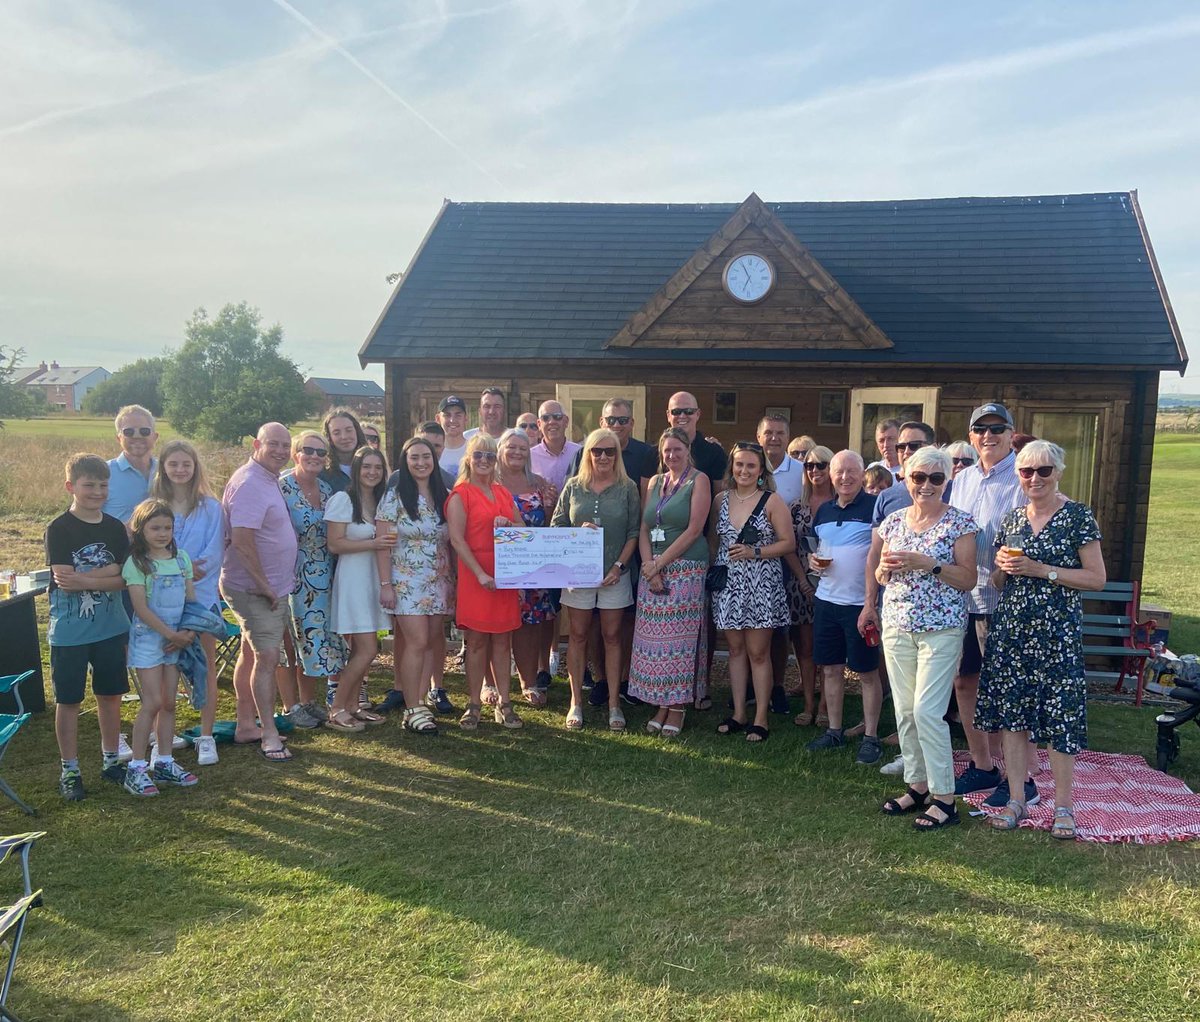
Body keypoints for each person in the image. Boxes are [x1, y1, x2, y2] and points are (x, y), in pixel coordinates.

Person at [976, 441, 1106, 838]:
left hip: (1055, 635)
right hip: (1012, 633)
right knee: (1013, 720)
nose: (1034, 478)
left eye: (1043, 471)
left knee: (1061, 720)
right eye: (1026, 471)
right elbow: (1000, 582)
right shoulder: (1013, 520)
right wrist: (1001, 569)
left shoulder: (1077, 517)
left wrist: (1042, 569)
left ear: (1059, 472)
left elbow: (1096, 579)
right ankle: (1017, 798)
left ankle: (1064, 806)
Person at [874, 448, 978, 830]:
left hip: (943, 628)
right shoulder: (895, 521)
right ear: (906, 479)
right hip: (898, 625)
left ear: (947, 480)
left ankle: (945, 799)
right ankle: (916, 786)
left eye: (936, 478)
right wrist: (884, 569)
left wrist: (930, 564)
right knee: (903, 710)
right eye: (919, 477)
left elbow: (968, 579)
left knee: (927, 711)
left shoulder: (960, 523)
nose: (927, 485)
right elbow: (882, 576)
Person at [949, 403, 1029, 799]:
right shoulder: (960, 479)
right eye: (980, 429)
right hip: (963, 595)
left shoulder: (1023, 474)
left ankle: (1022, 778)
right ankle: (982, 766)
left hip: (1006, 598)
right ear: (971, 436)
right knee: (964, 681)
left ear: (1011, 434)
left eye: (997, 428)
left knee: (1007, 688)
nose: (989, 435)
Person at [46, 454, 132, 800]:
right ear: (71, 486)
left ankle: (111, 760)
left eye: (103, 485)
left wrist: (90, 577)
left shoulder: (114, 528)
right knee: (68, 700)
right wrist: (106, 572)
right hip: (70, 631)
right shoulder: (59, 528)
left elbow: (126, 578)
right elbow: (66, 583)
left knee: (110, 696)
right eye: (89, 485)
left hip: (111, 626)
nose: (97, 491)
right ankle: (70, 769)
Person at [551, 428, 640, 731]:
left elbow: (633, 532)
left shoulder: (628, 487)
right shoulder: (574, 486)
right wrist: (577, 534)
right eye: (597, 451)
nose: (603, 456)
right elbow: (557, 525)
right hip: (578, 576)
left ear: (617, 455)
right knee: (577, 636)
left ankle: (615, 703)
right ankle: (576, 702)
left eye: (610, 451)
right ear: (587, 453)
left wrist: (618, 565)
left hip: (616, 574)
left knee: (612, 637)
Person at [219, 422, 298, 762]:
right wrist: (264, 585)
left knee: (250, 655)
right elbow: (242, 540)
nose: (281, 451)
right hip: (256, 589)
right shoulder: (251, 483)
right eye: (274, 444)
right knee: (267, 658)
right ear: (256, 444)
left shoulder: (267, 479)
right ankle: (268, 733)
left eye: (285, 445)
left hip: (266, 587)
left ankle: (245, 725)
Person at [629, 427, 712, 737]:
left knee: (679, 642)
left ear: (687, 449)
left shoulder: (698, 480)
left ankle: (676, 707)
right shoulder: (655, 482)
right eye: (667, 451)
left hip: (686, 567)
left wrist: (660, 564)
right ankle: (660, 703)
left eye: (678, 449)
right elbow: (645, 526)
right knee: (654, 642)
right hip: (654, 569)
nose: (672, 455)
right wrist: (650, 567)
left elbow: (694, 529)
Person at [711, 442, 794, 742]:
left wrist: (755, 551)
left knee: (758, 653)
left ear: (761, 471)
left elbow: (788, 543)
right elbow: (714, 541)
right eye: (739, 464)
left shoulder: (772, 501)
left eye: (751, 466)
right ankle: (738, 713)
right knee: (735, 651)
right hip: (729, 587)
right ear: (732, 467)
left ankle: (760, 716)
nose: (744, 470)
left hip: (761, 584)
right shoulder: (720, 500)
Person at [806, 451, 884, 764]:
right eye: (839, 472)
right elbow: (818, 551)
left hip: (859, 605)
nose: (845, 477)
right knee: (831, 668)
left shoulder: (873, 508)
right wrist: (813, 562)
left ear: (862, 474)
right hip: (826, 600)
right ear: (831, 475)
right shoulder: (823, 510)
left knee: (866, 672)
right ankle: (835, 730)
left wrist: (871, 603)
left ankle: (871, 736)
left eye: (852, 471)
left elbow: (878, 555)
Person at [150, 440, 225, 766]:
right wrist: (177, 570)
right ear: (164, 468)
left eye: (186, 464)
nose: (180, 470)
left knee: (205, 669)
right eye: (174, 464)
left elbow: (214, 553)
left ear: (195, 468)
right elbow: (146, 552)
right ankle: (161, 735)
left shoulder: (211, 508)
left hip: (201, 600)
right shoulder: (153, 506)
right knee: (164, 670)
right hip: (161, 603)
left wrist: (185, 573)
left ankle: (206, 736)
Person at [120, 500, 200, 796]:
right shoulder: (137, 564)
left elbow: (190, 602)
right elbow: (141, 608)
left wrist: (188, 631)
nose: (163, 533)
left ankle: (164, 761)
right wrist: (171, 635)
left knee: (169, 702)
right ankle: (137, 768)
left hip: (176, 639)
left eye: (167, 527)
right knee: (151, 702)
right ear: (140, 530)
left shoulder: (182, 560)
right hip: (149, 640)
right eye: (155, 528)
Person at [446, 434, 523, 729]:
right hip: (475, 575)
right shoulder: (460, 494)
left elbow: (522, 527)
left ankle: (505, 703)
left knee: (504, 641)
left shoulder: (502, 492)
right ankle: (474, 703)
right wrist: (479, 573)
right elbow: (456, 539)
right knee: (476, 642)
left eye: (490, 456)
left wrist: (510, 524)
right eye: (478, 455)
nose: (484, 461)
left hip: (504, 575)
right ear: (469, 457)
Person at [377, 437, 452, 730]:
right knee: (417, 641)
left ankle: (418, 706)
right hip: (406, 581)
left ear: (434, 462)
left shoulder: (444, 495)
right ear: (405, 463)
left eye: (426, 457)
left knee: (433, 641)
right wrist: (385, 584)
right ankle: (412, 704)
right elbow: (382, 544)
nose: (421, 463)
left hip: (439, 579)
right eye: (414, 458)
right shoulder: (394, 496)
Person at [279, 431, 347, 726]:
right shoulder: (281, 488)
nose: (315, 456)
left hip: (324, 575)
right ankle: (290, 706)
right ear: (296, 453)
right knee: (290, 642)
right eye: (308, 450)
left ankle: (308, 701)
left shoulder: (326, 489)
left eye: (321, 452)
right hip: (290, 575)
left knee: (314, 641)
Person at [325, 446, 391, 733]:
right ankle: (337, 707)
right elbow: (335, 544)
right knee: (367, 649)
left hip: (372, 579)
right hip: (353, 580)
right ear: (356, 469)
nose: (372, 472)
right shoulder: (343, 499)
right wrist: (372, 544)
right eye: (367, 467)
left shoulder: (380, 502)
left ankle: (353, 706)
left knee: (361, 650)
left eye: (378, 467)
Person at [496, 428, 558, 706]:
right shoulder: (489, 482)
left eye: (523, 448)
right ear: (500, 450)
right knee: (495, 626)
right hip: (497, 565)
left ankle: (528, 681)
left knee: (530, 625)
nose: (517, 452)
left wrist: (549, 506)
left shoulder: (539, 483)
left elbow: (548, 526)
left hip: (533, 566)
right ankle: (492, 683)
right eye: (511, 447)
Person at [758, 414, 807, 716]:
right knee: (754, 627)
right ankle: (754, 686)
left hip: (788, 561)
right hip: (753, 561)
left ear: (788, 437)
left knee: (781, 630)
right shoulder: (748, 466)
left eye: (780, 433)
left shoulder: (800, 472)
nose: (774, 438)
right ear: (759, 435)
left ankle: (777, 686)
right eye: (769, 433)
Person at [793, 445, 836, 726]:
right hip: (800, 586)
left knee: (827, 650)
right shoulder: (796, 507)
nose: (815, 470)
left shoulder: (840, 505)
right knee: (805, 649)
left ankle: (825, 706)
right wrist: (802, 580)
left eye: (821, 465)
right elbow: (788, 546)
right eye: (809, 465)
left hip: (835, 587)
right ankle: (808, 704)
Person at [103, 404, 160, 524]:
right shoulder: (103, 473)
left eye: (144, 431)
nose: (137, 436)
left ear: (155, 437)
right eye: (129, 432)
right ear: (119, 438)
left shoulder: (167, 470)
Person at [666, 391, 727, 488]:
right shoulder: (653, 454)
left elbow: (719, 497)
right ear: (668, 415)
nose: (682, 416)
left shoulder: (715, 453)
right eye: (676, 412)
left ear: (698, 414)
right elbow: (646, 501)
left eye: (689, 411)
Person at [530, 399, 581, 492]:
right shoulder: (529, 457)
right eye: (545, 418)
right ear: (539, 424)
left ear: (566, 421)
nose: (551, 422)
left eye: (557, 417)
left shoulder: (580, 453)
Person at [320, 408, 368, 495]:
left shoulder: (372, 466)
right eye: (336, 433)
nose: (344, 436)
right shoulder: (322, 473)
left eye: (349, 430)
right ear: (329, 437)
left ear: (357, 431)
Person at [437, 395, 470, 477]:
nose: (452, 420)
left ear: (466, 419)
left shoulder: (474, 450)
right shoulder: (431, 451)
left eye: (458, 415)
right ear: (438, 419)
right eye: (447, 415)